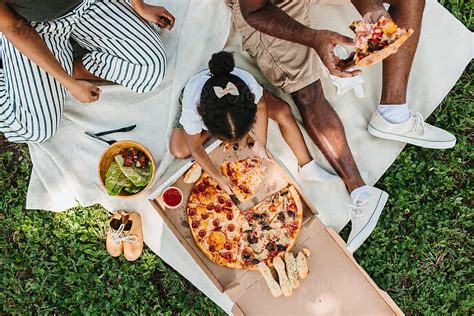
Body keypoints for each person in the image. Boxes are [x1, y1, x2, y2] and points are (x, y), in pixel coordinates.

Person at [0, 0, 175, 143]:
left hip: (88, 4)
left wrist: (139, 5)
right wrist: (67, 83)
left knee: (149, 70)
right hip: (34, 27)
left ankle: (73, 67)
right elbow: (14, 28)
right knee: (34, 129)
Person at [170, 51, 341, 196]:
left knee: (283, 111)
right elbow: (195, 147)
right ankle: (223, 129)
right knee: (179, 150)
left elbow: (261, 105)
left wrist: (261, 142)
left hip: (237, 97)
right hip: (202, 100)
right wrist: (218, 177)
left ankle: (307, 165)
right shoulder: (193, 107)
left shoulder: (246, 83)